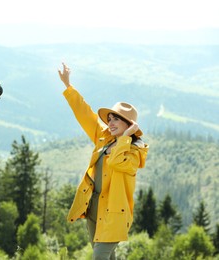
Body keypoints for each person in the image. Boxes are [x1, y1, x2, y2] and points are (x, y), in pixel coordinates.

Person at [58, 63, 149, 260]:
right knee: (109, 257)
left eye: (117, 119)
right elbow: (85, 114)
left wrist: (125, 137)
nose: (111, 122)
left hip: (115, 215)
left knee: (99, 257)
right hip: (93, 209)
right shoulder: (104, 137)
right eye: (110, 118)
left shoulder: (134, 153)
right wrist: (68, 86)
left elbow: (117, 162)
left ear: (129, 125)